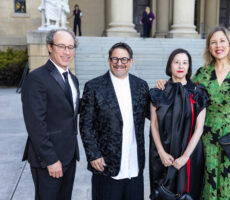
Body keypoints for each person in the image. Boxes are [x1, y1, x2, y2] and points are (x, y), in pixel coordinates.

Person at [156, 26, 230, 200]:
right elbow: (184, 88)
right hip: (208, 142)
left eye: (222, 41)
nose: (218, 45)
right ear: (209, 47)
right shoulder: (202, 74)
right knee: (210, 186)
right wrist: (165, 84)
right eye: (213, 42)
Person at [79, 42, 150, 200]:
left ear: (131, 62)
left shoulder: (141, 86)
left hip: (134, 165)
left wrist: (166, 89)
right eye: (115, 59)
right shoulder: (94, 87)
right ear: (109, 61)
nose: (119, 63)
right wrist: (93, 154)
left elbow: (154, 114)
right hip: (106, 164)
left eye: (124, 59)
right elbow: (86, 125)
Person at [21, 29, 80, 200]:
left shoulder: (72, 79)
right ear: (50, 47)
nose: (67, 52)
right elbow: (35, 124)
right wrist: (51, 160)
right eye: (61, 46)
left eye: (71, 47)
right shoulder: (36, 78)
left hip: (69, 155)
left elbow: (70, 109)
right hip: (49, 159)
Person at [149, 49, 209, 199]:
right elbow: (154, 126)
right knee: (163, 194)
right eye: (177, 62)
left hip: (190, 153)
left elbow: (199, 128)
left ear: (189, 67)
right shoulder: (158, 92)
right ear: (170, 65)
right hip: (163, 153)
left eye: (185, 62)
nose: (181, 66)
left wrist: (185, 157)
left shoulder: (198, 93)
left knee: (188, 194)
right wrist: (162, 153)